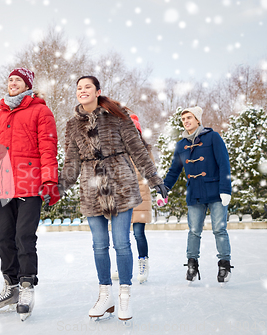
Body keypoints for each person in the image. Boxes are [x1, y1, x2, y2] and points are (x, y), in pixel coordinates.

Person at [57, 76, 167, 321]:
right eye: (79, 88)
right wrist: (59, 188)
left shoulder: (118, 117)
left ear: (97, 91)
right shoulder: (72, 125)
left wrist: (154, 178)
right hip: (90, 189)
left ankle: (124, 295)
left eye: (87, 87)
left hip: (120, 186)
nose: (82, 91)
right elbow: (71, 163)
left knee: (122, 243)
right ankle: (104, 295)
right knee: (99, 245)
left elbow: (137, 150)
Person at [0, 67, 59, 321]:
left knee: (24, 236)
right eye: (10, 80)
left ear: (27, 85)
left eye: (18, 80)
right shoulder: (0, 115)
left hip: (30, 183)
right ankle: (11, 287)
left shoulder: (41, 111)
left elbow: (48, 148)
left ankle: (26, 286)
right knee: (4, 237)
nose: (12, 83)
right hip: (5, 185)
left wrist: (49, 180)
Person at [161, 106, 233, 285]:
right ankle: (192, 265)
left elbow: (224, 163)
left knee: (219, 229)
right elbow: (173, 171)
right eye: (183, 119)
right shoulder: (181, 145)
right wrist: (163, 190)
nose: (186, 121)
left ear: (198, 119)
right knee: (194, 231)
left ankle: (224, 265)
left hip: (216, 192)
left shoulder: (213, 137)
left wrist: (225, 189)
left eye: (189, 117)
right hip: (195, 193)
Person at [129, 114, 154, 284]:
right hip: (122, 197)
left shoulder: (145, 152)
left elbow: (151, 173)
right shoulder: (118, 150)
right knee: (120, 235)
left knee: (138, 233)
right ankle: (123, 265)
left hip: (140, 196)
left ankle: (143, 262)